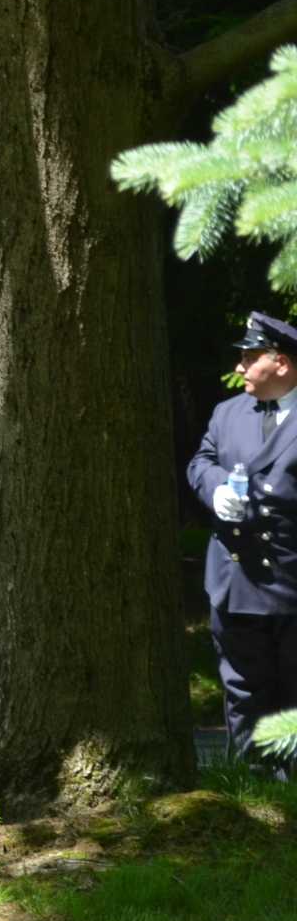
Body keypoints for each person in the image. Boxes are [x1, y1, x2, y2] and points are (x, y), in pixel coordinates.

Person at [188, 310, 297, 774]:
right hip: (236, 582)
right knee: (244, 696)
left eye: (249, 357)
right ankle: (253, 796)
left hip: (291, 584)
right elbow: (202, 459)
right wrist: (214, 488)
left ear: (282, 363)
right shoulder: (228, 412)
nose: (239, 368)